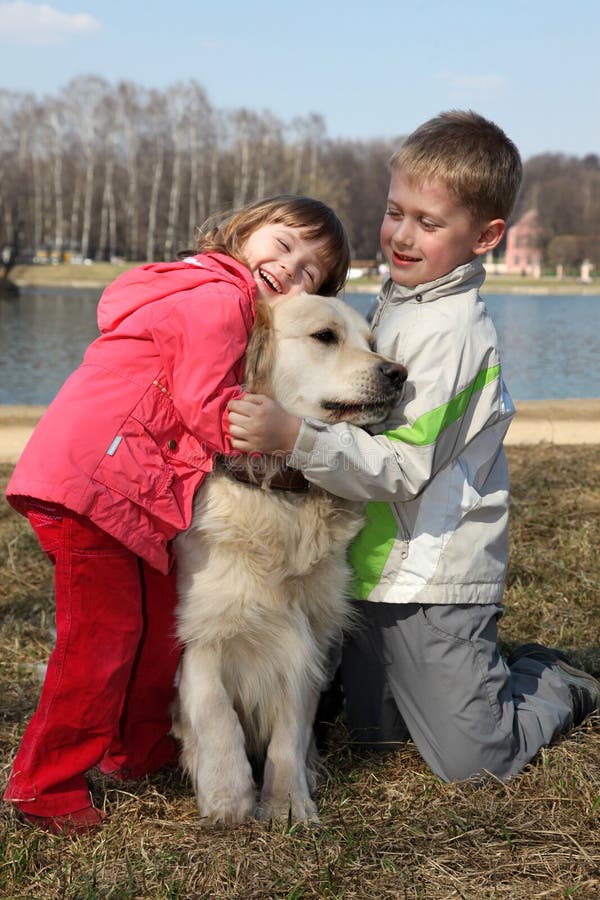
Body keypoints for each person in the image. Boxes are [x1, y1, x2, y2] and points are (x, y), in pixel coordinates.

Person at [228, 112, 600, 783]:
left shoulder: (456, 333)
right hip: (368, 569)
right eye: (396, 212)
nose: (402, 235)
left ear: (485, 236)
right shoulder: (396, 300)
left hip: (433, 580)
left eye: (429, 223)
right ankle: (454, 683)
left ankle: (554, 680)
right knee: (374, 742)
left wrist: (295, 438)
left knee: (472, 759)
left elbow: (401, 468)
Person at [4, 195, 351, 836]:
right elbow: (200, 403)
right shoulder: (220, 299)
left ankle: (140, 753)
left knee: (156, 633)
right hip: (93, 487)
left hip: (125, 493)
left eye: (311, 271)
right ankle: (44, 785)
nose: (291, 268)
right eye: (283, 243)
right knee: (100, 643)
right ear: (243, 232)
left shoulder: (211, 294)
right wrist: (255, 432)